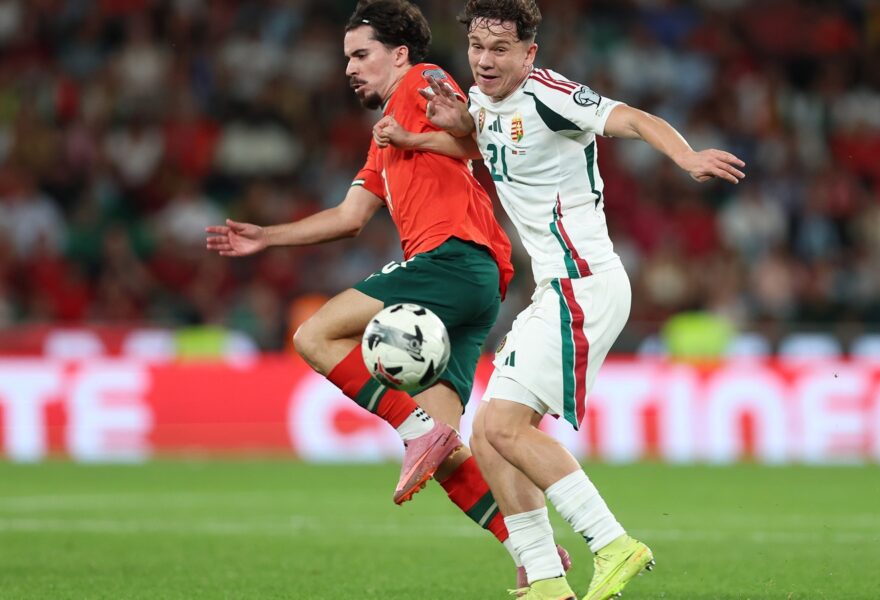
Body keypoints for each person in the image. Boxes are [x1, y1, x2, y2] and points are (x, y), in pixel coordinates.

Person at [373, 1, 746, 598]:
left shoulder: (550, 94)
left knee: (503, 426)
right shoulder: (480, 100)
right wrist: (421, 135)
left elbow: (634, 119)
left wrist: (686, 156)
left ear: (529, 54)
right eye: (477, 46)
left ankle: (613, 543)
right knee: (489, 435)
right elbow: (483, 150)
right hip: (556, 287)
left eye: (500, 49)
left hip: (583, 281)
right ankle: (545, 578)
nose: (484, 60)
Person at [205, 0, 570, 587]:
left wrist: (434, 130)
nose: (350, 68)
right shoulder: (386, 138)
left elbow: (478, 140)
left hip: (449, 258)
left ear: (399, 54)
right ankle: (537, 558)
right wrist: (268, 237)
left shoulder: (424, 80)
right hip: (478, 282)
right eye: (346, 58)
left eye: (361, 54)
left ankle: (416, 429)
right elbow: (349, 217)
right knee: (448, 454)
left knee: (314, 334)